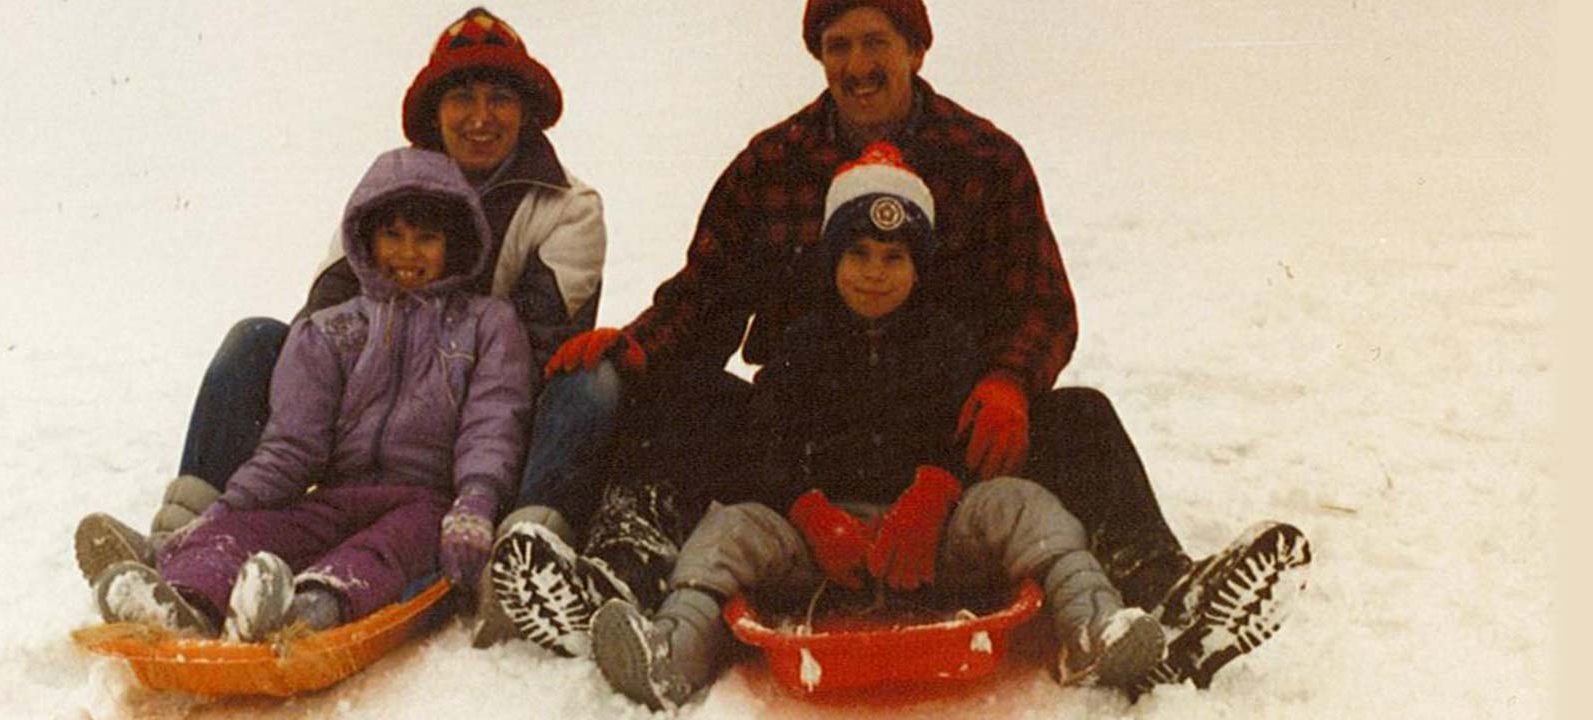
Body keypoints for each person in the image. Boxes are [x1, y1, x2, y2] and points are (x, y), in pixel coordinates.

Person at [492, 0, 1311, 695]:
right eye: (837, 45)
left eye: (875, 41)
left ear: (916, 48)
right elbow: (706, 297)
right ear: (819, 56)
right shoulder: (771, 163)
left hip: (952, 438)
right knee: (689, 399)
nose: (856, 64)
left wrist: (1008, 383)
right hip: (805, 443)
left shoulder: (986, 158)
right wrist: (635, 347)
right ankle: (619, 588)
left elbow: (1043, 304)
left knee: (1082, 417)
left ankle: (1164, 598)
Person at [588, 142, 1169, 709]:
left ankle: (1093, 627)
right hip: (822, 540)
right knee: (729, 533)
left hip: (933, 538)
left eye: (895, 258)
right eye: (858, 254)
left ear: (920, 267)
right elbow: (765, 439)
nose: (874, 273)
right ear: (832, 259)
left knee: (1024, 505)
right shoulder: (801, 344)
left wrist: (937, 493)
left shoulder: (950, 342)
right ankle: (675, 651)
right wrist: (808, 512)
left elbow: (966, 436)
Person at [72, 6, 604, 582]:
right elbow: (327, 312)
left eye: (499, 99)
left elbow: (526, 343)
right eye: (462, 99)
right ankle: (186, 530)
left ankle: (523, 549)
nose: (480, 118)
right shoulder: (389, 195)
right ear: (436, 112)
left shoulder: (566, 206)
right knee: (257, 339)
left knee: (592, 381)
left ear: (526, 112)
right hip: (379, 412)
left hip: (489, 415)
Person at [85, 148, 532, 641]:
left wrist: (475, 501)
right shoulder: (331, 331)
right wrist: (227, 510)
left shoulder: (486, 324)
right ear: (366, 241)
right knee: (254, 532)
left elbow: (492, 423)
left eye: (426, 239)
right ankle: (185, 601)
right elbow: (293, 446)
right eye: (393, 236)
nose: (408, 254)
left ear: (455, 245)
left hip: (428, 503)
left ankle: (307, 610)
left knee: (384, 550)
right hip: (337, 496)